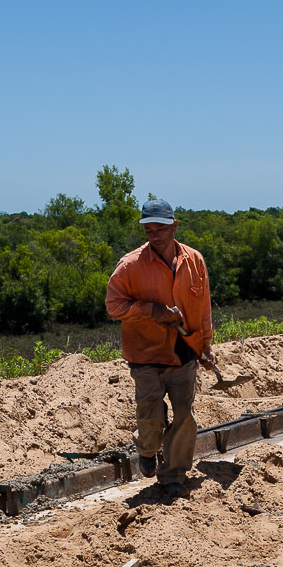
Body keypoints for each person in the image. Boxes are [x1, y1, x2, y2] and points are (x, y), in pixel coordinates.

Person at [105, 196, 215, 488]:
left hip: (185, 351)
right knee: (150, 418)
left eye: (160, 228)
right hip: (146, 355)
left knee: (184, 416)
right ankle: (147, 449)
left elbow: (202, 307)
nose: (154, 235)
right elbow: (114, 306)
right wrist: (151, 310)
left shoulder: (194, 261)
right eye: (149, 230)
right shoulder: (130, 265)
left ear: (174, 225)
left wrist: (205, 346)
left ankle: (174, 475)